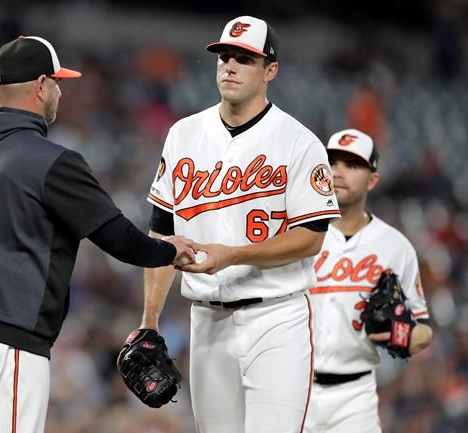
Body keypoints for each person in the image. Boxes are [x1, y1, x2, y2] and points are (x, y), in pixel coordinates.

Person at [0, 36, 195, 433]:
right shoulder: (52, 160)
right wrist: (167, 250)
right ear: (39, 86)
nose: (59, 90)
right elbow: (120, 240)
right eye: (55, 81)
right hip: (9, 338)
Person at [138, 16, 341, 433]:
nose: (229, 66)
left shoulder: (298, 142)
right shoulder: (183, 134)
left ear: (271, 70)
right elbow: (161, 234)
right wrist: (150, 319)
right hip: (206, 320)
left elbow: (311, 239)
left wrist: (235, 255)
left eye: (244, 59)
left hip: (277, 318)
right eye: (224, 56)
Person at [305, 129, 433, 433]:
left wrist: (399, 334)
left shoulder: (395, 245)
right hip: (294, 388)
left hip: (355, 395)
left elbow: (424, 330)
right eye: (332, 162)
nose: (338, 172)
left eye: (352, 165)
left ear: (372, 180)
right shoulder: (298, 235)